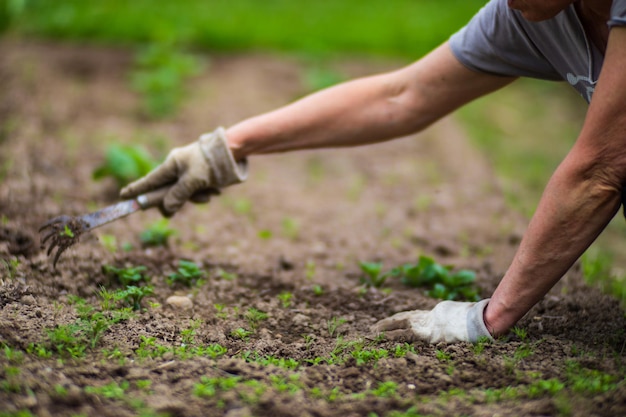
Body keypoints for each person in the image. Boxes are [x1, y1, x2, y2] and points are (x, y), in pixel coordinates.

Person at [120, 0, 626, 343]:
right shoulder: (527, 12)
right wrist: (225, 147)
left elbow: (601, 167)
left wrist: (486, 319)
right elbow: (402, 96)